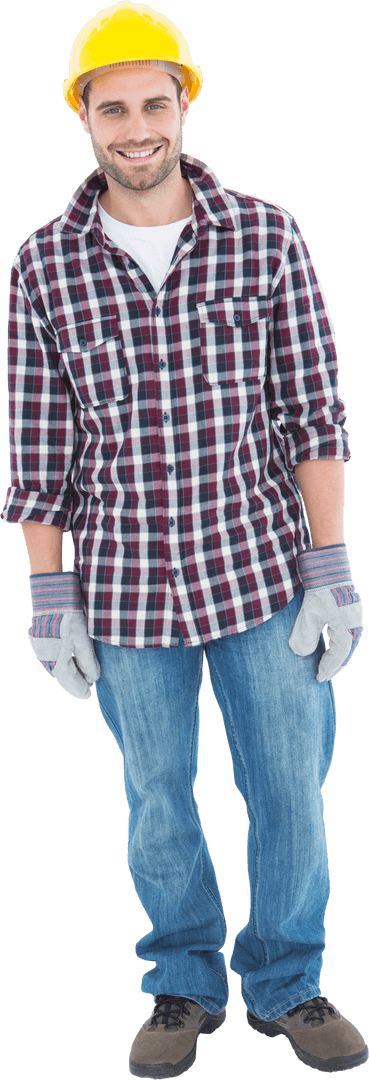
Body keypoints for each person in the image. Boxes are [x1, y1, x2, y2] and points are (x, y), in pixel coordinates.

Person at [2, 2, 367, 1076]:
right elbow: (38, 444)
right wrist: (49, 595)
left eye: (154, 101)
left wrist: (331, 567)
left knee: (290, 788)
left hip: (259, 574)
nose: (137, 125)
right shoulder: (43, 266)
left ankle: (289, 982)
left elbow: (316, 413)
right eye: (111, 105)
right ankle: (179, 982)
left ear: (184, 102)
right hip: (122, 595)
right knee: (156, 801)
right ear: (82, 115)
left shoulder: (266, 233)